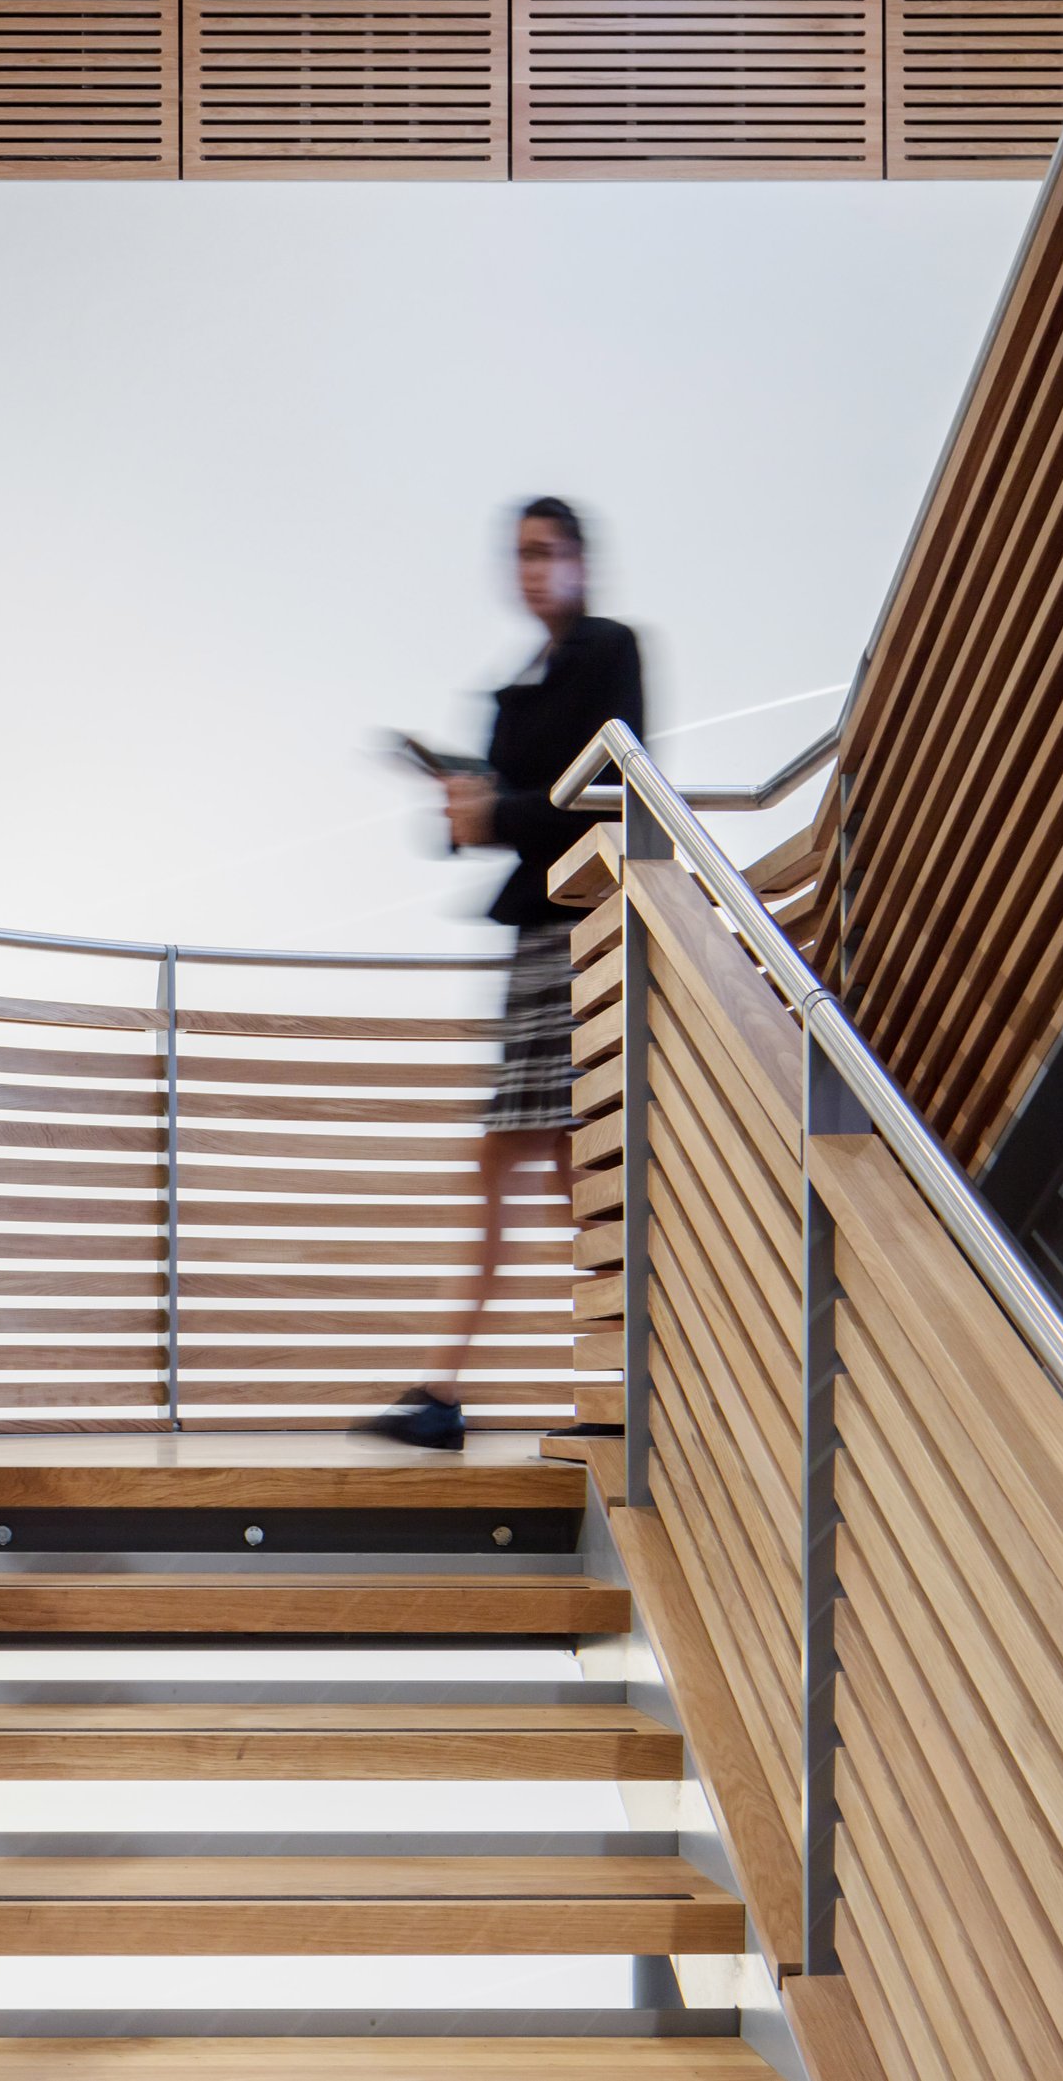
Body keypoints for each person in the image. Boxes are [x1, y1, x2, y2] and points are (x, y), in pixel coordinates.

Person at [360, 497, 644, 1453]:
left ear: (580, 560)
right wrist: (461, 803)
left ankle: (569, 1388)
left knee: (562, 1172)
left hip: (579, 932)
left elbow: (612, 789)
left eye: (546, 551)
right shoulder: (513, 689)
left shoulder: (609, 651)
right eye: (520, 553)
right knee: (556, 1171)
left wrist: (498, 812)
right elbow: (494, 818)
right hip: (534, 940)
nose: (532, 568)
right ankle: (570, 1386)